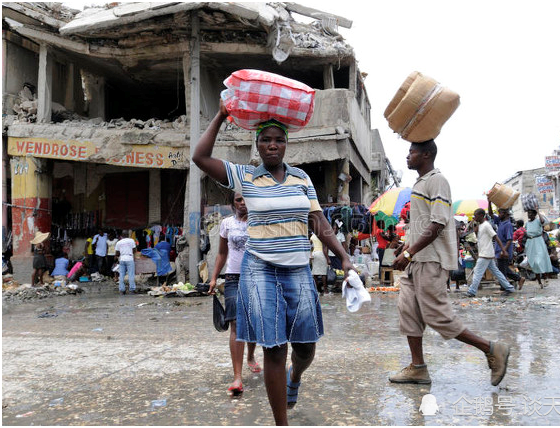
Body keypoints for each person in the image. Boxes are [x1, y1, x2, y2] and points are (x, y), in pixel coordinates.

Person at [192, 100, 355, 425]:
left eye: (278, 139)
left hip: (298, 271)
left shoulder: (301, 179)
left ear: (285, 144)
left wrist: (344, 256)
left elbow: (318, 221)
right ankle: (282, 423)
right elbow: (200, 157)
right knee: (275, 348)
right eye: (265, 139)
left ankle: (295, 377)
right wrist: (222, 115)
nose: (272, 144)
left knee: (306, 346)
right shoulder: (245, 177)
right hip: (260, 272)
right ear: (257, 144)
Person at [390, 139, 511, 388]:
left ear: (426, 154)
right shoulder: (420, 183)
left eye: (411, 152)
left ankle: (491, 348)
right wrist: (406, 247)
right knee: (408, 313)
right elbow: (423, 224)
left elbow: (438, 224)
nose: (407, 156)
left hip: (430, 261)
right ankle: (418, 368)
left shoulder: (438, 180)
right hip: (417, 260)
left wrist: (410, 253)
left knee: (437, 316)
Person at [208, 192, 261, 395]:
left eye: (246, 199)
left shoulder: (259, 222)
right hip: (232, 278)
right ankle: (237, 377)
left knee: (253, 321)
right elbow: (222, 253)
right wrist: (213, 278)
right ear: (233, 203)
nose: (243, 203)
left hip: (256, 276)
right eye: (239, 199)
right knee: (236, 324)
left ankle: (250, 356)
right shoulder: (226, 223)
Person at [465, 209, 516, 297]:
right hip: (485, 253)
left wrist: (503, 250)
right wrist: (473, 228)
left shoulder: (486, 225)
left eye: (476, 215)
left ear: (481, 215)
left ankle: (472, 291)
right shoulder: (480, 225)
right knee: (496, 272)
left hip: (486, 253)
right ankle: (509, 287)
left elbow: (496, 237)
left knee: (477, 271)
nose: (474, 217)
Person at [488, 202, 525, 290]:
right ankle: (519, 279)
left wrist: (503, 250)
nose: (498, 214)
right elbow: (490, 214)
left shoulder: (508, 224)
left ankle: (504, 288)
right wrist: (489, 201)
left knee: (502, 271)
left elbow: (509, 239)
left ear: (505, 214)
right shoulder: (501, 221)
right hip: (500, 250)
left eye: (500, 213)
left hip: (504, 251)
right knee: (502, 269)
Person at [524, 209, 553, 288]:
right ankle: (539, 282)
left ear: (534, 214)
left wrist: (538, 212)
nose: (529, 214)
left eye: (530, 213)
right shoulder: (527, 223)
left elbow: (544, 222)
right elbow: (525, 233)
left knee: (539, 261)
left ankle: (545, 277)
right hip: (530, 243)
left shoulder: (538, 221)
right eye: (528, 213)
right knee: (533, 262)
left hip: (538, 241)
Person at [115, 230, 137, 294]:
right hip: (129, 258)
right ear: (128, 235)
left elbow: (117, 253)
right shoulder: (131, 241)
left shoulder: (119, 242)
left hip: (122, 259)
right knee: (131, 275)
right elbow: (134, 250)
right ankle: (132, 289)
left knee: (121, 275)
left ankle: (122, 290)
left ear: (122, 235)